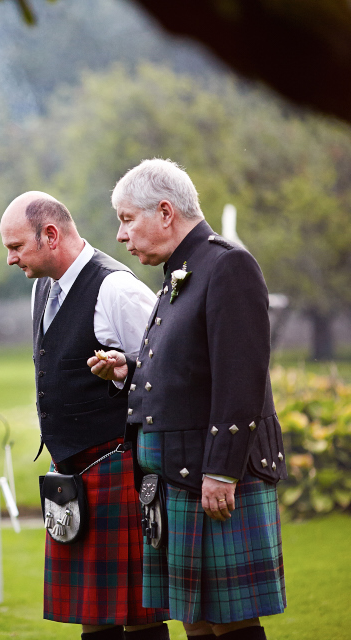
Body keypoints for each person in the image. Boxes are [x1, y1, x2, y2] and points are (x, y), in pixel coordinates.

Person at [89, 159, 287, 640]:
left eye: (127, 218)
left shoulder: (226, 265)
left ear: (164, 211)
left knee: (230, 622)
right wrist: (131, 370)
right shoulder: (182, 271)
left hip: (208, 473)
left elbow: (241, 378)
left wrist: (222, 471)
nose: (120, 235)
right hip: (177, 476)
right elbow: (190, 371)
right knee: (194, 618)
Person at [0, 192, 170, 640]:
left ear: (50, 235)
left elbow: (166, 376)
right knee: (93, 616)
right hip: (73, 474)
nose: (12, 259)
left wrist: (123, 374)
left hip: (119, 471)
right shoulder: (44, 287)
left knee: (139, 612)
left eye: (16, 247)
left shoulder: (117, 289)